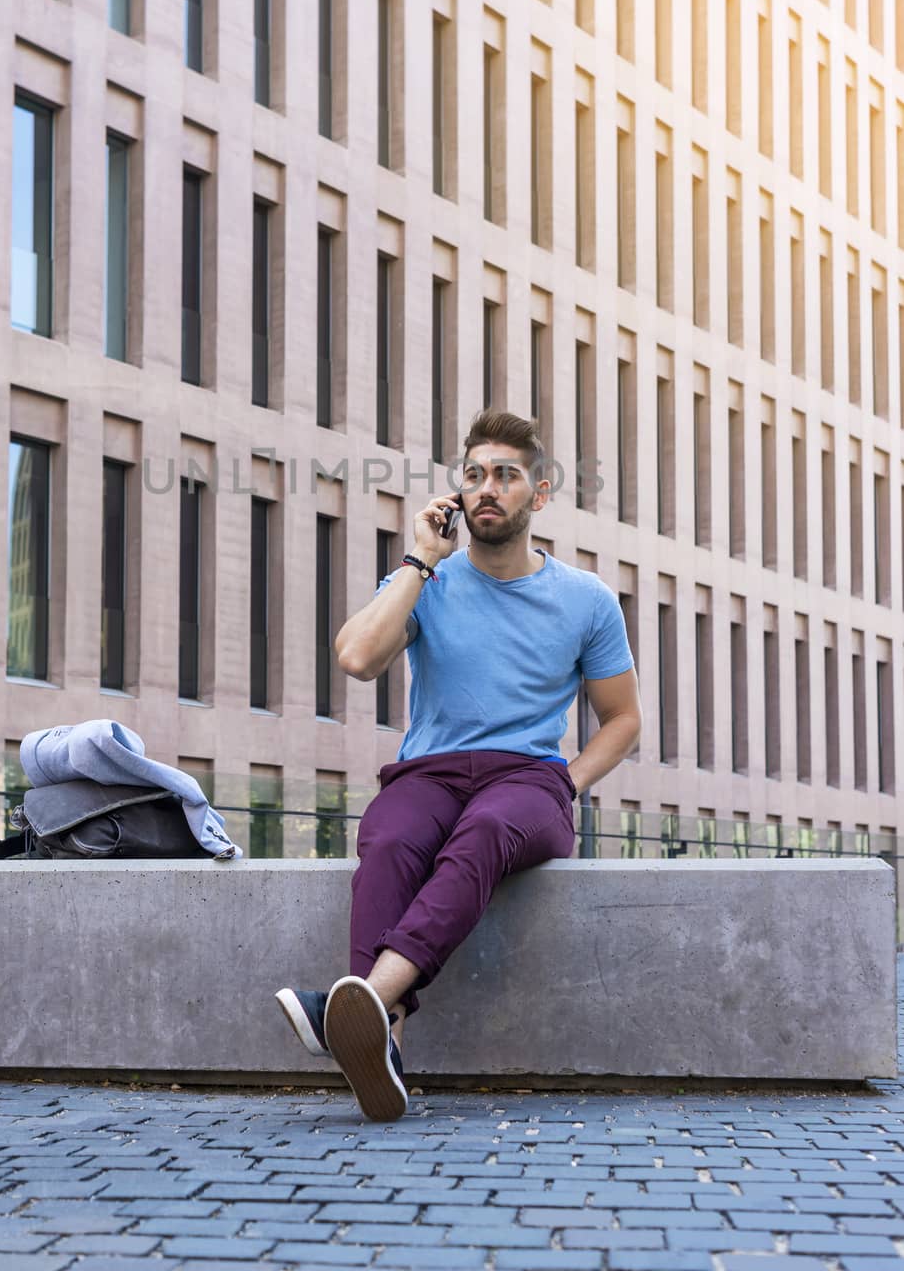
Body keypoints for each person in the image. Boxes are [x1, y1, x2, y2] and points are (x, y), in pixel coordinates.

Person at [275, 409, 642, 1122]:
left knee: (484, 835)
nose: (487, 490)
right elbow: (355, 658)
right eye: (474, 476)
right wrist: (419, 562)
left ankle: (366, 1005)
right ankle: (383, 1050)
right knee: (388, 842)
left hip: (528, 779)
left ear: (537, 495)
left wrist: (567, 781)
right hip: (431, 773)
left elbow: (622, 718)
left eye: (506, 476)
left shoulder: (586, 600)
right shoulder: (427, 580)